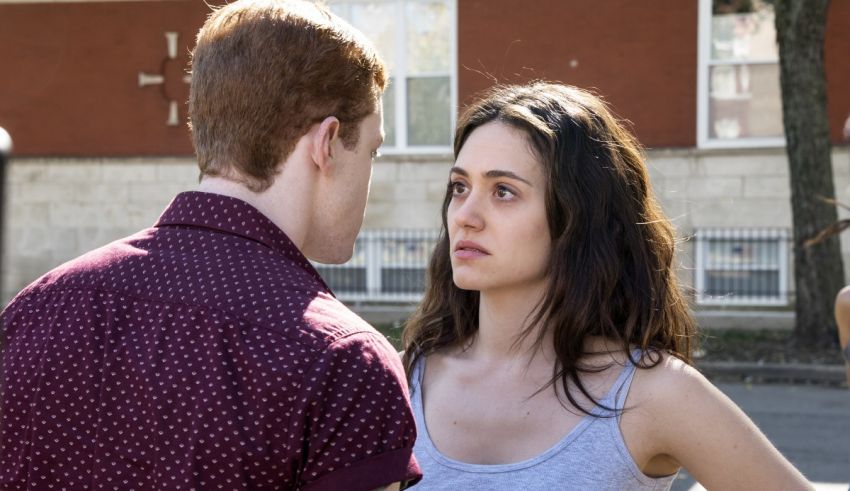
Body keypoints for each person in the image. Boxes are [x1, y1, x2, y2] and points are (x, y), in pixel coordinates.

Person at [0, 1, 421, 489]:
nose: (370, 173)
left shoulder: (35, 309)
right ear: (326, 143)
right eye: (372, 150)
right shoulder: (345, 366)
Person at [402, 82, 813, 490]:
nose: (465, 216)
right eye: (460, 187)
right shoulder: (399, 379)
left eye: (503, 191)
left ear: (578, 217)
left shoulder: (653, 393)